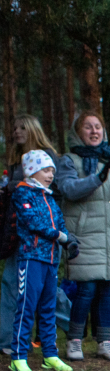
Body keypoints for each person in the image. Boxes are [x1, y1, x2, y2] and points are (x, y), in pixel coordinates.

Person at [56, 110, 110, 363]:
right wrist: (98, 178)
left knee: (109, 289)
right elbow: (69, 189)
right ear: (77, 132)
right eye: (88, 127)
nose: (94, 131)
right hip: (83, 236)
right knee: (86, 290)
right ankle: (74, 341)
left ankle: (105, 342)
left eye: (98, 127)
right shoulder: (69, 160)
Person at [9, 151, 78, 371]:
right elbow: (33, 223)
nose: (51, 175)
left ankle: (50, 355)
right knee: (26, 308)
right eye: (46, 170)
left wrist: (69, 241)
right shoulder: (22, 193)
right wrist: (60, 237)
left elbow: (60, 223)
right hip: (31, 259)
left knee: (49, 309)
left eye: (52, 172)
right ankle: (18, 357)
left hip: (51, 261)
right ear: (32, 171)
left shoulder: (49, 197)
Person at [0, 115, 59, 356]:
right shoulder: (16, 160)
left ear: (33, 129)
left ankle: (69, 329)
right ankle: (6, 341)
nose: (16, 132)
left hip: (41, 234)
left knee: (44, 288)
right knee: (11, 283)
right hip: (16, 230)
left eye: (22, 127)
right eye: (14, 128)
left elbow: (53, 193)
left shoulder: (48, 157)